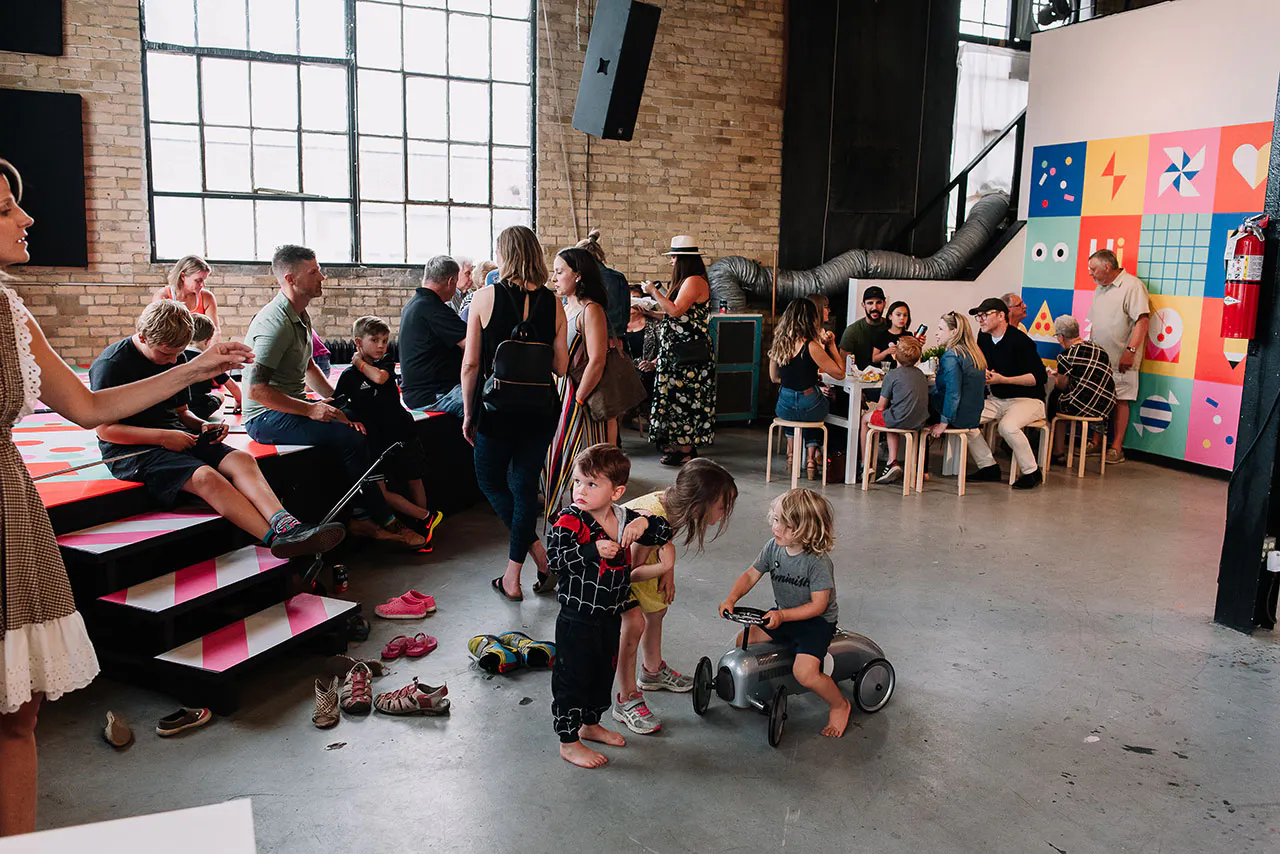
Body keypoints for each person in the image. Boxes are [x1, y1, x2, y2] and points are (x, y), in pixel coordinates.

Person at [0, 158, 252, 837]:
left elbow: (87, 408)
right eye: (4, 209)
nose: (27, 217)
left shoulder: (9, 308)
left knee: (18, 711)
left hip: (9, 505)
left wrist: (199, 368)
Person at [91, 300, 347, 557]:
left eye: (177, 354)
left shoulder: (177, 358)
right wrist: (162, 437)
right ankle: (275, 540)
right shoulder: (112, 365)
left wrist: (203, 425)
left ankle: (287, 525)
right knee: (206, 477)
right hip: (131, 449)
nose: (173, 361)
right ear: (143, 337)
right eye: (166, 354)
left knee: (241, 459)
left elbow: (182, 413)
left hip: (176, 435)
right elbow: (106, 431)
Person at [242, 244, 425, 548]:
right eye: (314, 272)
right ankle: (382, 522)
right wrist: (310, 410)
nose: (322, 277)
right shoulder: (274, 324)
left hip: (290, 406)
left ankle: (364, 511)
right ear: (291, 279)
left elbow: (309, 367)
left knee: (362, 419)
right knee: (351, 438)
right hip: (264, 417)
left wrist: (340, 402)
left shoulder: (299, 315)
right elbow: (257, 391)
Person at [546, 444, 674, 768]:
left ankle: (590, 724)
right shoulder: (569, 520)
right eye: (577, 482)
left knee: (602, 672)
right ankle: (568, 740)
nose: (580, 490)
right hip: (577, 616)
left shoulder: (624, 518)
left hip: (610, 614)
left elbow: (665, 531)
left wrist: (645, 525)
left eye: (592, 484)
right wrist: (591, 550)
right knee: (573, 677)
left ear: (617, 492)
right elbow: (555, 560)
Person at [461, 225, 568, 601]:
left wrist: (469, 414)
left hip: (497, 410)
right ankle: (522, 569)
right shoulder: (554, 303)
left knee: (490, 481)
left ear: (503, 255)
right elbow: (560, 366)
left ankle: (531, 563)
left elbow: (471, 365)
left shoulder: (483, 297)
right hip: (540, 409)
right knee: (524, 488)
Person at [612, 459, 738, 735]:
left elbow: (664, 541)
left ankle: (652, 672)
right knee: (633, 625)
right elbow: (629, 573)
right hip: (608, 575)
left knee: (658, 609)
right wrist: (665, 567)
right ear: (699, 504)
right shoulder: (650, 519)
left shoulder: (673, 506)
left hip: (636, 564)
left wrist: (667, 572)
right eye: (721, 507)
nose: (722, 514)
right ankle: (625, 698)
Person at [718, 487, 851, 739]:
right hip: (783, 615)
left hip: (815, 623)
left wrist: (783, 616)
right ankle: (759, 686)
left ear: (806, 530)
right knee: (744, 640)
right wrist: (732, 598)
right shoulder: (773, 548)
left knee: (805, 674)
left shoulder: (818, 562)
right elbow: (751, 574)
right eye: (776, 520)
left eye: (786, 525)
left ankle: (839, 705)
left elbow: (818, 606)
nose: (776, 528)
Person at [334, 315, 444, 541]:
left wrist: (359, 363)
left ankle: (423, 526)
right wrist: (345, 418)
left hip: (402, 432)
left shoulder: (385, 362)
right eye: (374, 340)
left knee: (414, 478)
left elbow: (380, 378)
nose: (381, 346)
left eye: (384, 341)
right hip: (377, 440)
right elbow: (337, 402)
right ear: (358, 342)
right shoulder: (349, 376)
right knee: (380, 490)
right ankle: (426, 517)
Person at [543, 247, 611, 525]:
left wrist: (579, 399)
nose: (554, 278)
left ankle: (587, 519)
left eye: (560, 272)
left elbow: (597, 360)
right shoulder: (563, 306)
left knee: (583, 457)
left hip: (579, 393)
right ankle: (566, 516)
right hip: (560, 390)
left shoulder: (590, 310)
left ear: (579, 275)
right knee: (557, 454)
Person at [641, 235, 716, 466]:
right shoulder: (687, 281)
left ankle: (686, 450)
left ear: (683, 259)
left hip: (688, 356)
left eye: (674, 256)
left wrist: (654, 292)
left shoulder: (694, 281)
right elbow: (677, 316)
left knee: (685, 402)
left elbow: (675, 311)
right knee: (676, 401)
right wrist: (650, 313)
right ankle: (679, 446)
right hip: (677, 355)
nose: (671, 261)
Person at [966, 297, 1048, 489]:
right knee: (964, 418)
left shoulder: (1020, 341)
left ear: (1001, 316)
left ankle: (1032, 472)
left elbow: (1038, 377)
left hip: (1028, 400)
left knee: (1007, 427)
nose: (981, 320)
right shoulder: (984, 337)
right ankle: (988, 466)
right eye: (979, 316)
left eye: (985, 315)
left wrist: (1003, 379)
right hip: (997, 398)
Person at [1085, 248, 1150, 464]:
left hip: (1122, 358)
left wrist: (1130, 352)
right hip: (1099, 358)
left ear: (1107, 267)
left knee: (1121, 400)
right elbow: (1095, 323)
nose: (1090, 273)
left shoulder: (1132, 286)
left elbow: (1142, 321)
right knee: (1097, 399)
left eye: (1093, 269)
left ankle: (1116, 447)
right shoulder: (1099, 289)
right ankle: (1096, 442)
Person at [769, 298, 845, 477]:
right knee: (815, 406)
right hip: (809, 404)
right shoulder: (811, 346)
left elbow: (774, 378)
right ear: (811, 319)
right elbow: (840, 373)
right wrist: (832, 346)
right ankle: (811, 458)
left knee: (794, 410)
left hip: (784, 406)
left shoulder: (780, 344)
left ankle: (791, 456)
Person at [576, 229, 630, 445]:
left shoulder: (584, 280)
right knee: (610, 405)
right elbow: (624, 315)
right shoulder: (618, 278)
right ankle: (612, 449)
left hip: (589, 346)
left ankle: (598, 450)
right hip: (615, 344)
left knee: (592, 402)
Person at [399, 255, 467, 416]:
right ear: (450, 281)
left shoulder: (415, 304)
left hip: (419, 392)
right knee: (487, 407)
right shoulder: (433, 309)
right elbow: (472, 344)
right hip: (433, 393)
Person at [860, 335, 929, 483]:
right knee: (891, 417)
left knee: (865, 419)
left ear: (895, 355)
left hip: (898, 419)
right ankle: (892, 462)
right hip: (918, 421)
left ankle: (865, 464)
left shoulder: (892, 375)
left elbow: (881, 406)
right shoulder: (921, 375)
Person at [1049, 314, 1116, 461]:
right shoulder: (1099, 350)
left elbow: (1062, 384)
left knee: (1055, 402)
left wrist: (1053, 376)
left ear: (1061, 337)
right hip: (1105, 406)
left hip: (1081, 405)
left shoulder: (1066, 356)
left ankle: (1057, 452)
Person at [927, 310, 987, 439]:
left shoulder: (951, 356)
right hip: (972, 415)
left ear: (954, 332)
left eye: (940, 329)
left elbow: (953, 393)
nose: (936, 333)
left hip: (956, 417)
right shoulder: (974, 353)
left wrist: (943, 423)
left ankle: (912, 450)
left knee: (913, 405)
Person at [186, 314, 241, 419]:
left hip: (177, 412)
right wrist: (239, 401)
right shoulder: (210, 361)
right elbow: (233, 387)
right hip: (199, 412)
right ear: (208, 341)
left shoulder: (176, 357)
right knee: (220, 395)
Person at [152, 255, 219, 330]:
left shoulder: (207, 297)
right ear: (182, 276)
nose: (202, 285)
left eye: (204, 280)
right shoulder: (162, 297)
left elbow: (215, 330)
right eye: (198, 280)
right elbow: (158, 331)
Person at [838, 285, 889, 370]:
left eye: (878, 302)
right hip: (859, 377)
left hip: (888, 376)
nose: (875, 307)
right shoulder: (852, 331)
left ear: (884, 304)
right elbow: (843, 364)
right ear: (863, 305)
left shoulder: (892, 327)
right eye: (870, 303)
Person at [871, 300, 917, 366]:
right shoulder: (881, 335)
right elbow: (874, 359)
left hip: (903, 370)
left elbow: (913, 359)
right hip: (884, 371)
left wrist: (917, 345)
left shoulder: (908, 336)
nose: (902, 318)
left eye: (905, 315)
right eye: (898, 315)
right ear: (890, 317)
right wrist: (886, 352)